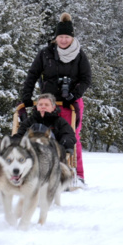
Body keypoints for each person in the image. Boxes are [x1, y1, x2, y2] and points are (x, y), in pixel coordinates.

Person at [19, 12, 91, 184]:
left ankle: (77, 174)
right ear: (56, 37)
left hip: (70, 103)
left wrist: (74, 94)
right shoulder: (46, 53)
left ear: (72, 38)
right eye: (61, 37)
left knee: (71, 136)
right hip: (48, 101)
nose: (64, 40)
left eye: (67, 37)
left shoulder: (79, 55)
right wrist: (27, 97)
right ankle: (38, 172)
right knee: (39, 134)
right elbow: (33, 74)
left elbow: (86, 78)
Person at [15, 93, 76, 157]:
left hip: (52, 155)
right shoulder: (29, 121)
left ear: (53, 107)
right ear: (37, 106)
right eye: (40, 104)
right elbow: (19, 135)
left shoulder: (60, 121)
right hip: (30, 154)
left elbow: (68, 135)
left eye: (47, 105)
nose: (43, 107)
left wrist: (63, 147)